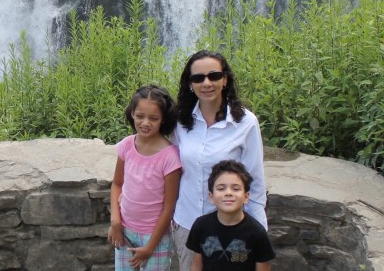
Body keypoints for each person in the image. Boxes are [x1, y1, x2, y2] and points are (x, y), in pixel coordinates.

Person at [170, 50, 267, 271]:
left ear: (225, 79)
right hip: (188, 222)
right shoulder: (181, 120)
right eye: (198, 78)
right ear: (190, 84)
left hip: (230, 226)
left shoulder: (245, 123)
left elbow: (255, 180)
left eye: (213, 76)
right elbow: (172, 170)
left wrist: (258, 230)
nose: (206, 83)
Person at [109, 85, 183, 270]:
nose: (145, 123)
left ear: (163, 119)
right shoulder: (127, 145)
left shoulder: (170, 157)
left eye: (153, 118)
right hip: (125, 231)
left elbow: (169, 208)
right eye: (140, 116)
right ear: (132, 113)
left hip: (155, 238)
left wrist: (150, 247)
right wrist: (115, 222)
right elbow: (117, 184)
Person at [185, 160, 275, 270]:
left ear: (246, 196)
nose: (228, 193)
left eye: (236, 188)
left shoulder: (257, 233)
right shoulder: (200, 226)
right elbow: (196, 266)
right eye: (221, 188)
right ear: (211, 196)